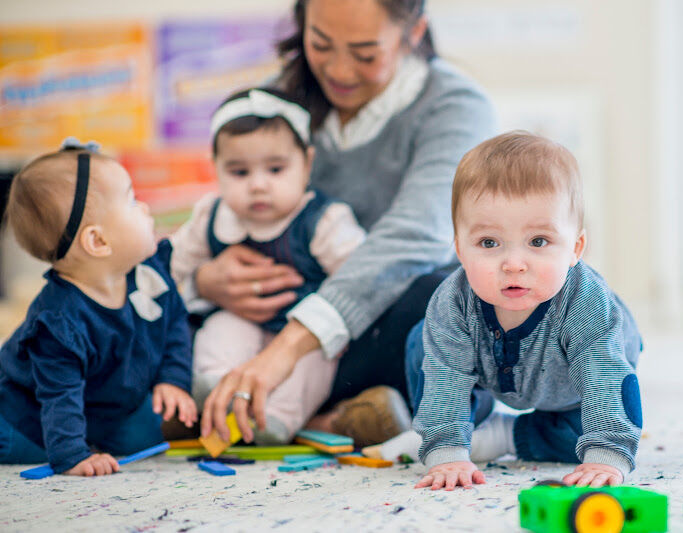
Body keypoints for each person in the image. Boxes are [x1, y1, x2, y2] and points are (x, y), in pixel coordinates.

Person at [196, 0, 497, 446]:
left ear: (414, 33)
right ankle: (318, 416)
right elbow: (221, 209)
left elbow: (414, 237)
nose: (338, 70)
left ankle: (297, 413)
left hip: (368, 326)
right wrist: (206, 281)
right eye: (320, 45)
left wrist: (289, 347)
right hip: (268, 316)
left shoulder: (454, 106)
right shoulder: (272, 103)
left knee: (445, 303)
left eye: (365, 54)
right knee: (153, 314)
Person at [377, 132, 643, 490]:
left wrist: (607, 454)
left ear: (575, 248)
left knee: (584, 436)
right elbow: (443, 376)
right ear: (460, 249)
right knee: (423, 342)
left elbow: (605, 379)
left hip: (576, 387)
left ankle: (506, 435)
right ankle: (463, 425)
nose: (514, 263)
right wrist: (447, 452)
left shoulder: (586, 302)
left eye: (538, 241)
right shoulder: (453, 301)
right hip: (490, 372)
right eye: (489, 243)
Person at [169, 87, 365, 444]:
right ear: (216, 169)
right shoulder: (211, 217)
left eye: (276, 169)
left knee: (313, 363)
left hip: (303, 333)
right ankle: (213, 386)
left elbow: (358, 278)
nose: (258, 185)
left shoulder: (324, 220)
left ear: (306, 164)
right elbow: (169, 269)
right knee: (220, 330)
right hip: (241, 319)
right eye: (239, 172)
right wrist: (196, 282)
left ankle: (275, 420)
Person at [0, 141, 195, 475]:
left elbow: (175, 320)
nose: (145, 208)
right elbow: (60, 394)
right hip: (25, 418)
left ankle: (93, 436)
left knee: (145, 440)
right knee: (22, 446)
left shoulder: (146, 272)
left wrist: (173, 378)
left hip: (108, 406)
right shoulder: (59, 323)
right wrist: (74, 456)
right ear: (98, 241)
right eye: (132, 201)